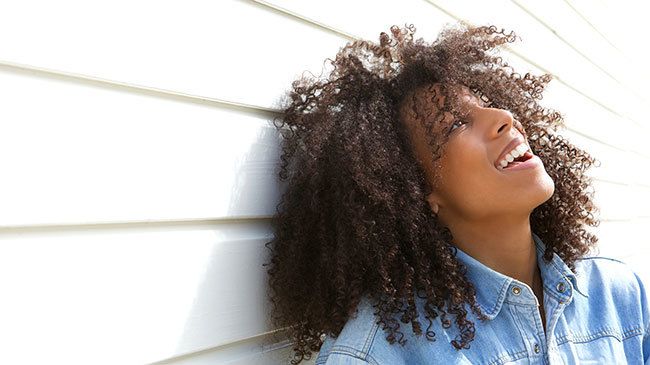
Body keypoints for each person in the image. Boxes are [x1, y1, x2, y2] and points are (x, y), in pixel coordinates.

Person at [263, 22, 650, 364]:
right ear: (417, 190)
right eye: (453, 126)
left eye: (487, 105)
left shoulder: (616, 294)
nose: (504, 119)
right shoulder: (379, 352)